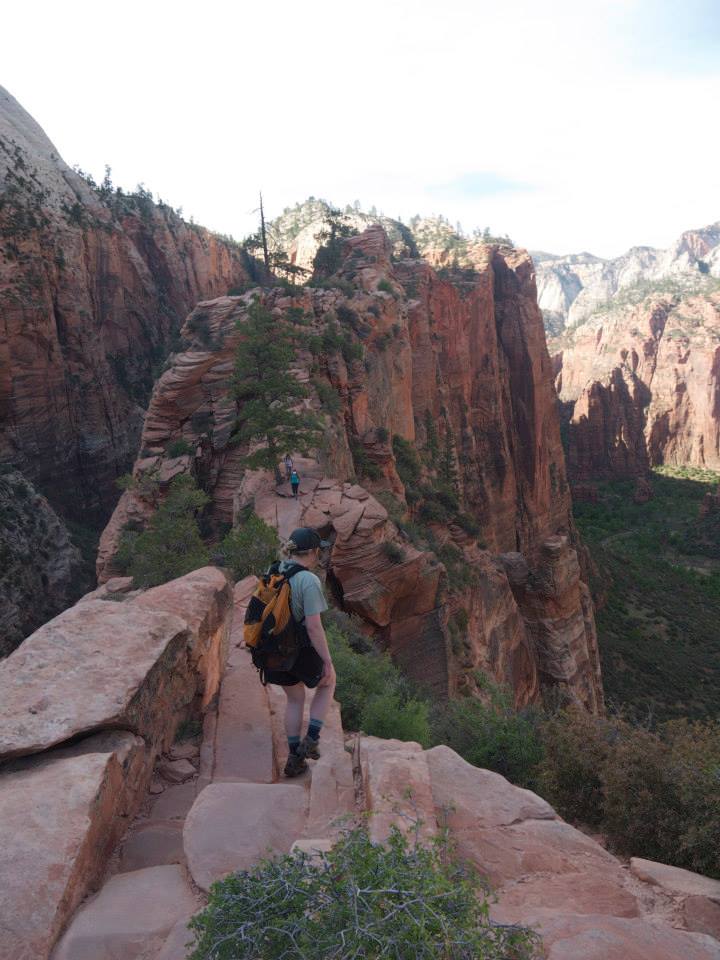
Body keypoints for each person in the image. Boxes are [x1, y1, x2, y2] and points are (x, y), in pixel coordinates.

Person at [264, 528, 336, 777]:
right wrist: (327, 661)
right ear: (314, 552)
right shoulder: (309, 580)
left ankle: (295, 756)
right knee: (328, 682)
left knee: (295, 699)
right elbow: (314, 626)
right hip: (296, 651)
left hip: (271, 653)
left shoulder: (273, 570)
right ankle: (312, 739)